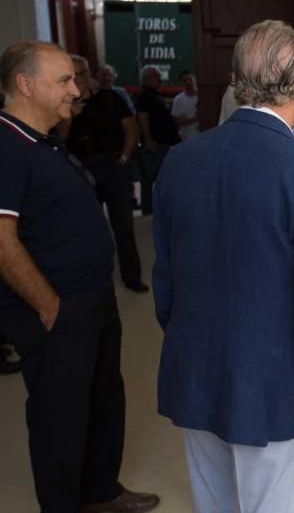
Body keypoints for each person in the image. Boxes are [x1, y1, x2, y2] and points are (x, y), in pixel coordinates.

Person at [153, 20, 294, 513]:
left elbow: (166, 280)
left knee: (213, 504)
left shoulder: (180, 160)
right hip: (273, 385)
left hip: (197, 371)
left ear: (236, 81)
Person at [0, 40, 159, 513]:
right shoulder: (7, 145)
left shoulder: (45, 140)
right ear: (25, 85)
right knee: (60, 416)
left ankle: (100, 492)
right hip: (56, 306)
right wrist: (50, 307)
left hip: (92, 298)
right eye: (64, 80)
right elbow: (2, 241)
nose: (77, 89)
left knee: (104, 399)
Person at [65, 55, 148, 292]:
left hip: (113, 167)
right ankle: (94, 279)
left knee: (124, 227)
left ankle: (132, 278)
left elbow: (131, 127)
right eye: (70, 75)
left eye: (79, 74)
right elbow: (57, 139)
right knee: (87, 229)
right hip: (81, 171)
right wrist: (71, 114)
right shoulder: (63, 103)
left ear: (88, 74)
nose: (76, 79)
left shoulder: (110, 98)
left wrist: (124, 157)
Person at [134, 67, 180, 214]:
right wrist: (148, 139)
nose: (159, 79)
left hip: (164, 142)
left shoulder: (155, 94)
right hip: (155, 143)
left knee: (162, 176)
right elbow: (142, 117)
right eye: (156, 76)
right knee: (149, 177)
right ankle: (148, 208)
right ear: (147, 78)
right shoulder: (145, 96)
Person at [170, 70, 199, 140]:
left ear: (194, 79)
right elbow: (176, 121)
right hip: (187, 138)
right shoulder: (178, 100)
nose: (188, 82)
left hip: (204, 136)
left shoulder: (203, 96)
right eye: (184, 80)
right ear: (181, 83)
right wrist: (194, 119)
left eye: (190, 79)